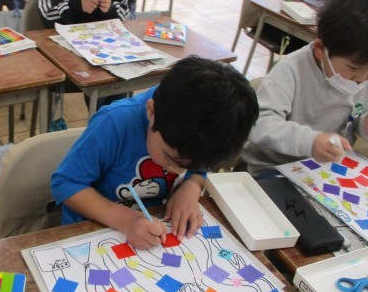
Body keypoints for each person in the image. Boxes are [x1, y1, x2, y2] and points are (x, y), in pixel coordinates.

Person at [51, 57, 259, 250]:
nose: (177, 171)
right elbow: (65, 184)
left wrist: (192, 186)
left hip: (154, 229)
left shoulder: (202, 135)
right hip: (92, 233)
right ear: (151, 111)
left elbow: (199, 169)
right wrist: (125, 220)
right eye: (169, 159)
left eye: (188, 166)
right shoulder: (115, 123)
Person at [241, 0, 368, 178]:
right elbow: (260, 125)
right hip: (274, 168)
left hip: (328, 169)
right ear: (320, 49)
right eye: (353, 67)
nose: (362, 77)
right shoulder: (292, 70)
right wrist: (311, 142)